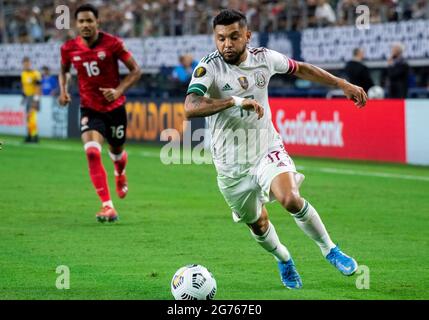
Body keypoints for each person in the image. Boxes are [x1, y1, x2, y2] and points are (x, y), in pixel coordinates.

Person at [184, 9, 367, 289]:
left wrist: (341, 83)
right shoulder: (209, 67)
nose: (227, 44)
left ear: (247, 36)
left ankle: (330, 249)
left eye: (234, 37)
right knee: (257, 224)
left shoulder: (264, 58)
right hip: (230, 165)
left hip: (265, 149)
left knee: (290, 198)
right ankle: (284, 258)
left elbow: (301, 68)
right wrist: (233, 101)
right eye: (220, 38)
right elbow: (191, 106)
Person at [58, 4, 141, 222]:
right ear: (76, 25)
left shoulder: (112, 44)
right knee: (92, 152)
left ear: (97, 23)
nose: (85, 25)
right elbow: (64, 71)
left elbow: (135, 70)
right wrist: (64, 91)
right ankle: (107, 205)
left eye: (89, 21)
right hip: (89, 108)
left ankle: (119, 171)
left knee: (116, 151)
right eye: (81, 21)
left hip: (114, 108)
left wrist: (119, 90)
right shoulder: (68, 48)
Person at [21, 57, 41, 143]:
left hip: (34, 97)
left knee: (32, 117)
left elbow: (38, 87)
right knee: (28, 118)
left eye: (27, 63)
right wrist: (24, 97)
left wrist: (36, 100)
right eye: (24, 64)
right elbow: (24, 87)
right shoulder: (23, 74)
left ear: (30, 63)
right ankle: (29, 135)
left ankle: (34, 136)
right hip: (28, 97)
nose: (26, 65)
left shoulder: (35, 73)